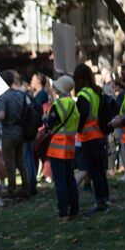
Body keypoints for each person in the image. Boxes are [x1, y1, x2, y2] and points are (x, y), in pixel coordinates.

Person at [73, 63, 109, 214]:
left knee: (94, 172)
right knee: (101, 171)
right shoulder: (97, 92)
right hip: (99, 135)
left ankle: (100, 203)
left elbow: (85, 112)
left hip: (89, 138)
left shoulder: (83, 94)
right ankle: (105, 199)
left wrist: (79, 127)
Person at [46, 76, 80, 221]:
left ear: (61, 89)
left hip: (57, 148)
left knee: (60, 181)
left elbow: (50, 123)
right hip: (70, 147)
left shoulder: (59, 104)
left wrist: (46, 121)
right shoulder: (73, 104)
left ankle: (63, 213)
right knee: (70, 179)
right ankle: (74, 210)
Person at [0, 70, 30, 199]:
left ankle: (11, 190)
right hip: (20, 131)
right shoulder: (20, 95)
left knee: (10, 163)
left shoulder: (4, 96)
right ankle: (26, 188)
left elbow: (2, 115)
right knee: (21, 162)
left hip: (8, 133)